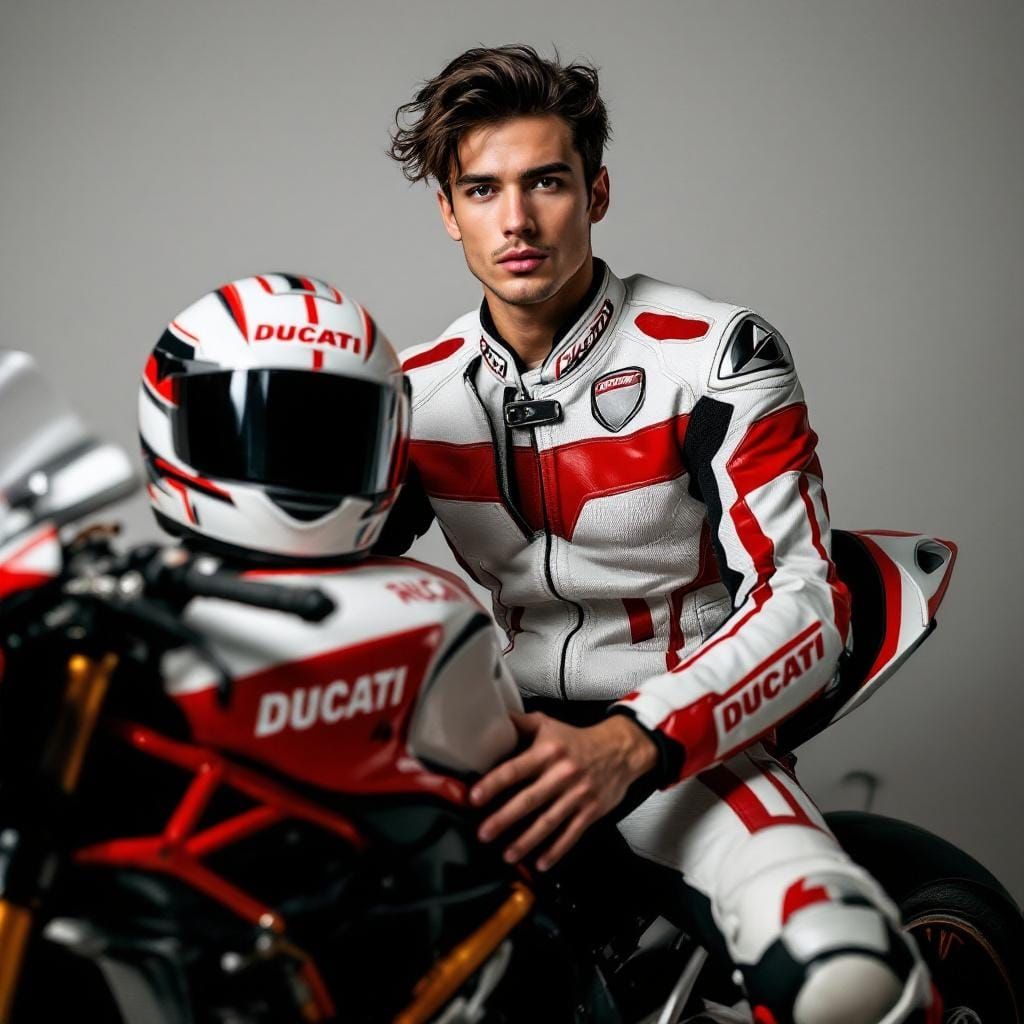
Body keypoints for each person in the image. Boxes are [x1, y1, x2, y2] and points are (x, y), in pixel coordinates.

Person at [379, 46, 940, 1023]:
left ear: (594, 190)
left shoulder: (714, 353)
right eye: (481, 189)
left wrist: (638, 739)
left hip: (692, 742)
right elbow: (313, 574)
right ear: (447, 209)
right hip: (501, 746)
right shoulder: (412, 391)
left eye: (546, 182)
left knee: (843, 976)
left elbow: (808, 603)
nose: (515, 220)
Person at [138, 271, 522, 814]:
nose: (292, 454)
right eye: (251, 429)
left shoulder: (432, 610)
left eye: (332, 435)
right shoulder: (142, 590)